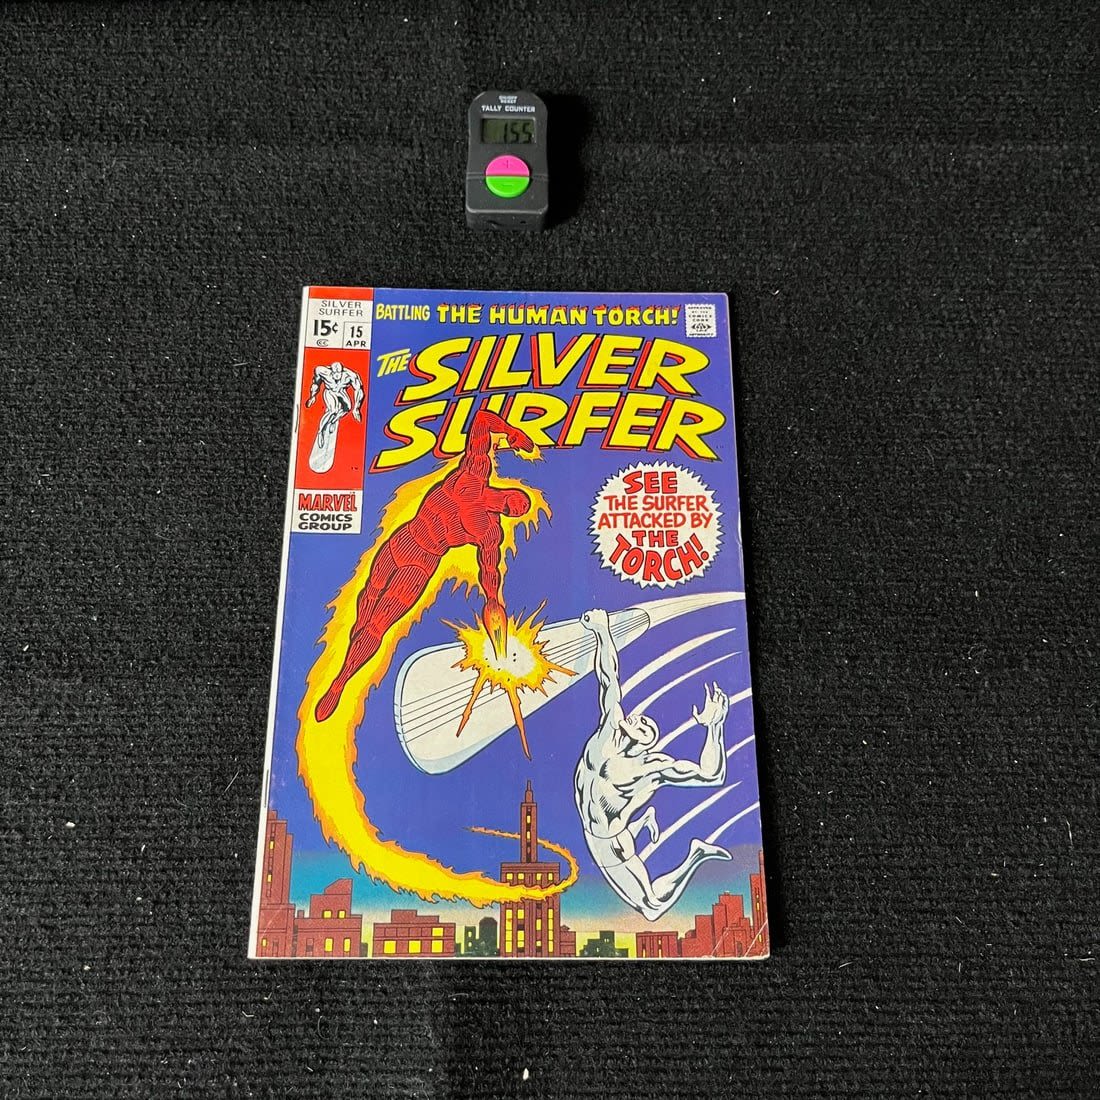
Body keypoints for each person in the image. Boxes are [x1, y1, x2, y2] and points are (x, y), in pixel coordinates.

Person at [315, 409, 535, 722]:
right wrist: (511, 431)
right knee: (367, 604)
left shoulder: (488, 530)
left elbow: (490, 573)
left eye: (516, 511)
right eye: (516, 502)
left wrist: (493, 602)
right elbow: (482, 421)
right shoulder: (473, 472)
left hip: (420, 565)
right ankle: (351, 657)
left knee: (378, 625)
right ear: (510, 491)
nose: (513, 508)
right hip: (402, 540)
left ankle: (340, 681)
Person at [574, 608, 731, 921]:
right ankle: (645, 819)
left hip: (611, 846)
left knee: (652, 908)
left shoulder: (650, 768)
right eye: (642, 718)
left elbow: (712, 775)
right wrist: (602, 630)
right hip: (597, 831)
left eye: (646, 726)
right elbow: (609, 678)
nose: (639, 719)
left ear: (646, 742)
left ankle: (696, 854)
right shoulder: (609, 729)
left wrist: (715, 727)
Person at [306, 361, 364, 473]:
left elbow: (359, 390)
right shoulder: (322, 371)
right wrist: (312, 396)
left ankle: (333, 420)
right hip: (329, 392)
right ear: (331, 371)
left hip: (340, 392)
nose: (337, 376)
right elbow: (316, 383)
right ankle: (321, 431)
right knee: (332, 410)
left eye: (339, 374)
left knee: (347, 408)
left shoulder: (350, 375)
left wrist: (356, 408)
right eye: (335, 374)